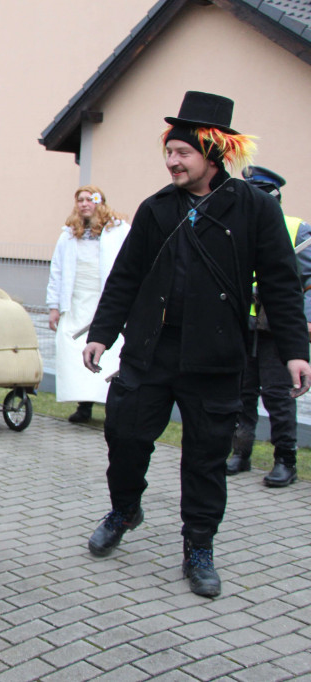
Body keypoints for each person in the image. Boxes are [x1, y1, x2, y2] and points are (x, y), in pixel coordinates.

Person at [82, 91, 311, 598]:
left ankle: (199, 546)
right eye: (169, 152)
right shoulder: (156, 209)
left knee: (205, 459)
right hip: (151, 350)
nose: (171, 161)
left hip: (215, 356)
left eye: (182, 153)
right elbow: (126, 277)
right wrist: (102, 334)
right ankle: (125, 509)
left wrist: (297, 350)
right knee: (124, 437)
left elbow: (280, 283)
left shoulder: (254, 209)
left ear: (213, 152)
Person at [225, 166, 311, 487]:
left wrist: (305, 319)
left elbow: (309, 283)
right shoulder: (235, 230)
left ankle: (285, 460)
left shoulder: (298, 230)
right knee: (241, 393)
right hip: (242, 325)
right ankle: (241, 452)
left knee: (278, 395)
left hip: (277, 328)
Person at [46, 186, 130, 423]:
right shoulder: (70, 234)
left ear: (100, 202)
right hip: (77, 302)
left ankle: (111, 407)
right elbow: (58, 270)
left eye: (89, 199)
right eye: (80, 200)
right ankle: (84, 406)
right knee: (74, 350)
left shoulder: (118, 231)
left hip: (106, 300)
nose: (84, 204)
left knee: (110, 352)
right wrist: (54, 306)